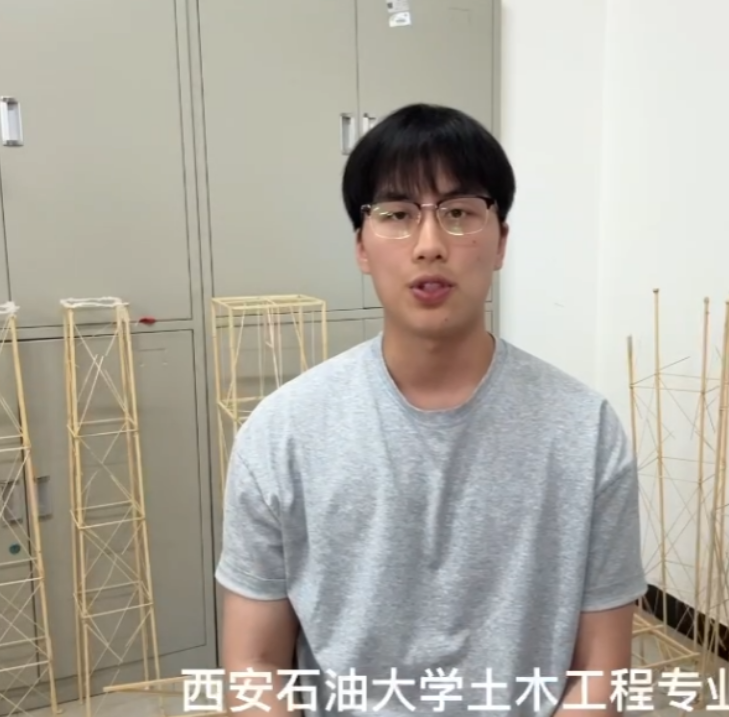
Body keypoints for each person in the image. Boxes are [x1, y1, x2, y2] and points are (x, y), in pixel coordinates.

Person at [216, 103, 647, 716]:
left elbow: (603, 673)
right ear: (362, 247)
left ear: (500, 242)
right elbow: (255, 665)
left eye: (459, 212)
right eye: (396, 214)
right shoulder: (283, 433)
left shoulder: (584, 430)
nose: (429, 245)